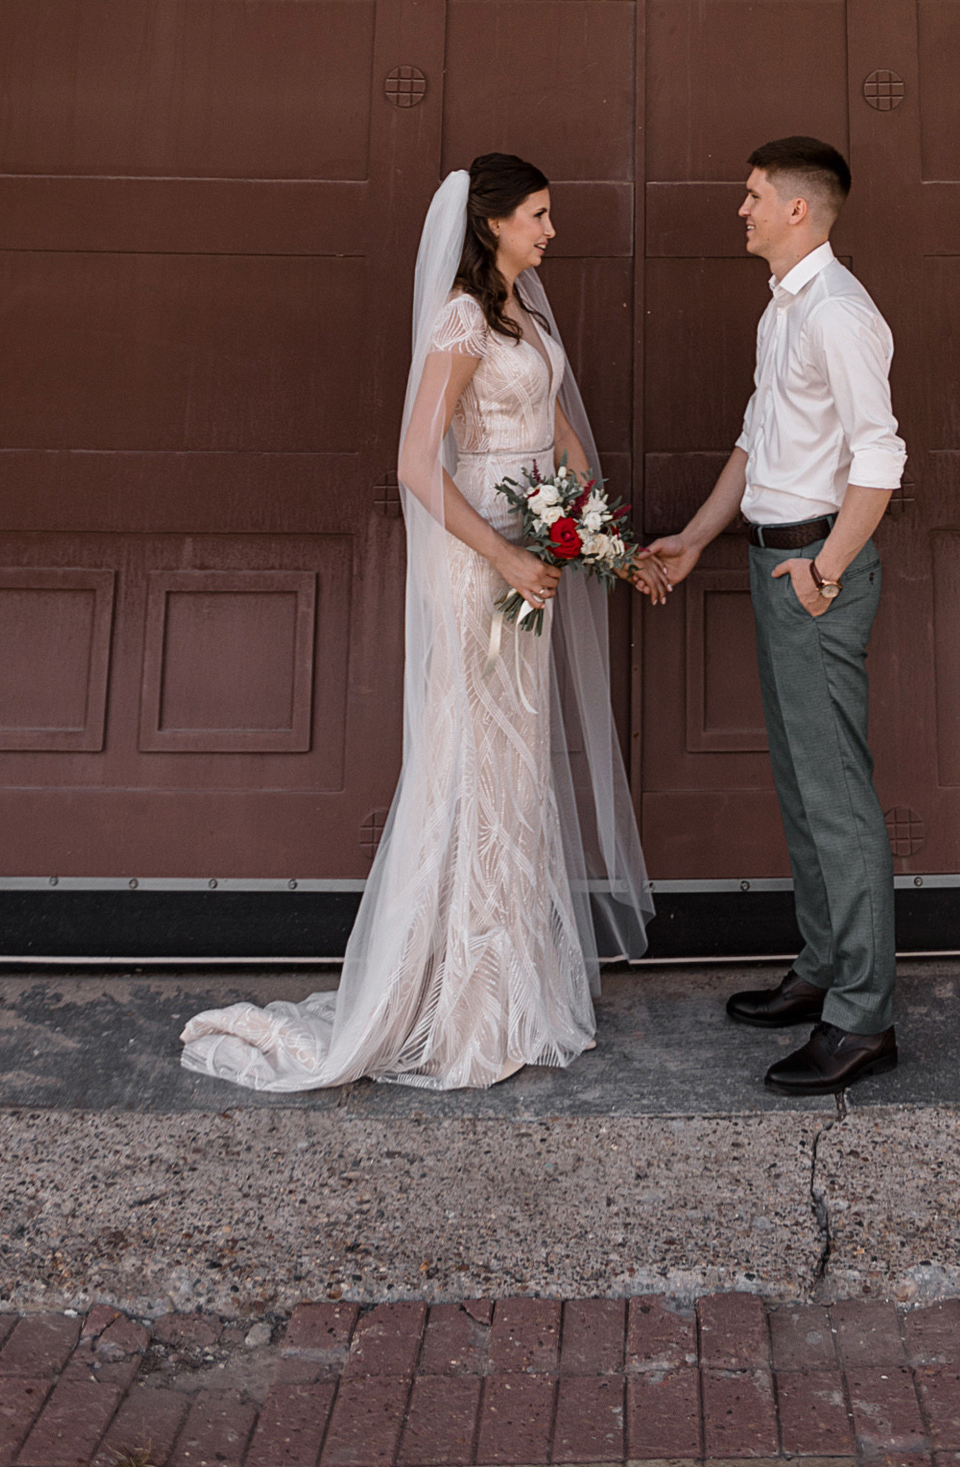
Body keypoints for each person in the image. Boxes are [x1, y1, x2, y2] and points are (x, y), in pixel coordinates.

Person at [179, 153, 651, 1093]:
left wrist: (587, 524)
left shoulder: (524, 313)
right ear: (492, 224)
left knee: (514, 762)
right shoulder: (463, 319)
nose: (551, 232)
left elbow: (553, 425)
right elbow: (414, 461)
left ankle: (506, 987)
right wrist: (507, 553)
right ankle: (446, 996)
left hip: (533, 549)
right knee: (469, 755)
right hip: (478, 558)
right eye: (539, 216)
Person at [643, 134, 905, 1092]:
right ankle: (825, 969)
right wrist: (699, 537)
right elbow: (758, 444)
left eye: (753, 195)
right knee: (804, 785)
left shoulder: (838, 313)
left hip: (815, 571)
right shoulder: (784, 307)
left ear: (799, 208)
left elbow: (880, 458)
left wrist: (824, 571)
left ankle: (862, 1019)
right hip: (776, 564)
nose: (741, 208)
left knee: (837, 796)